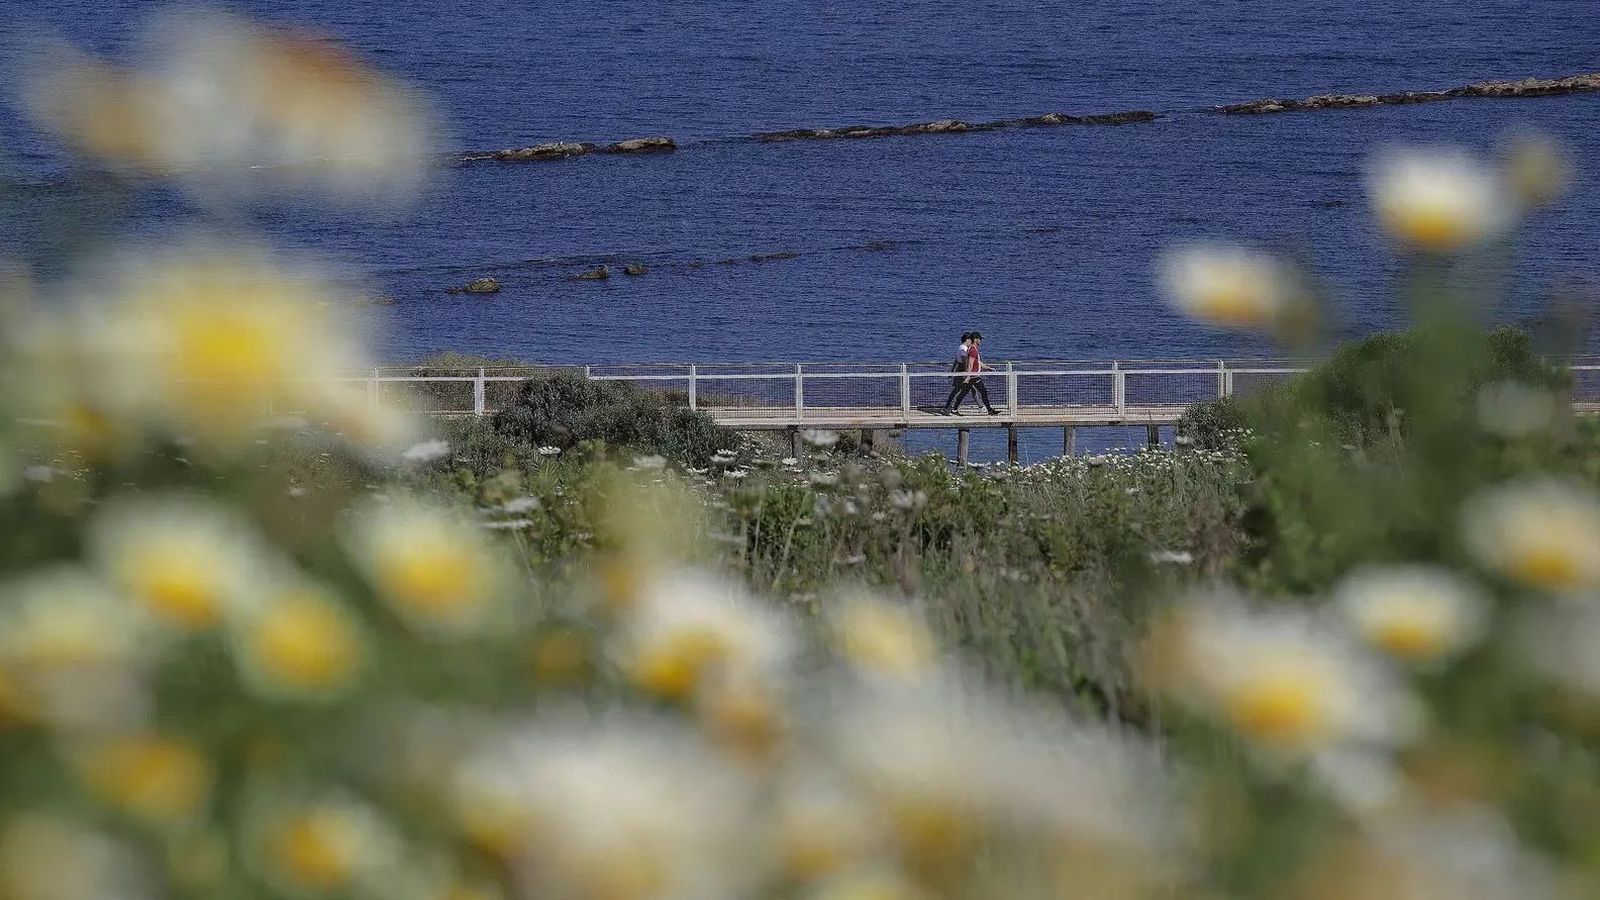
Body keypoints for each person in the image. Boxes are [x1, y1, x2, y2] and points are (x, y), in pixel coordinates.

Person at [943, 331, 1001, 415]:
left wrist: (988, 368)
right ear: (976, 339)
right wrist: (968, 376)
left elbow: (977, 362)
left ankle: (954, 409)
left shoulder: (970, 349)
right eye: (980, 339)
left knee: (963, 392)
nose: (981, 341)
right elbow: (970, 364)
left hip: (971, 376)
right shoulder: (973, 350)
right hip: (974, 376)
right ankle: (989, 410)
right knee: (983, 392)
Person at [941, 332, 973, 413]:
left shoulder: (961, 347)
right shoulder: (963, 348)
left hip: (960, 370)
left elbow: (956, 360)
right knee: (959, 390)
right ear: (967, 339)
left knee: (961, 389)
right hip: (962, 370)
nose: (971, 342)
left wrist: (952, 371)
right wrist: (967, 373)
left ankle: (950, 407)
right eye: (970, 340)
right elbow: (964, 360)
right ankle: (950, 407)